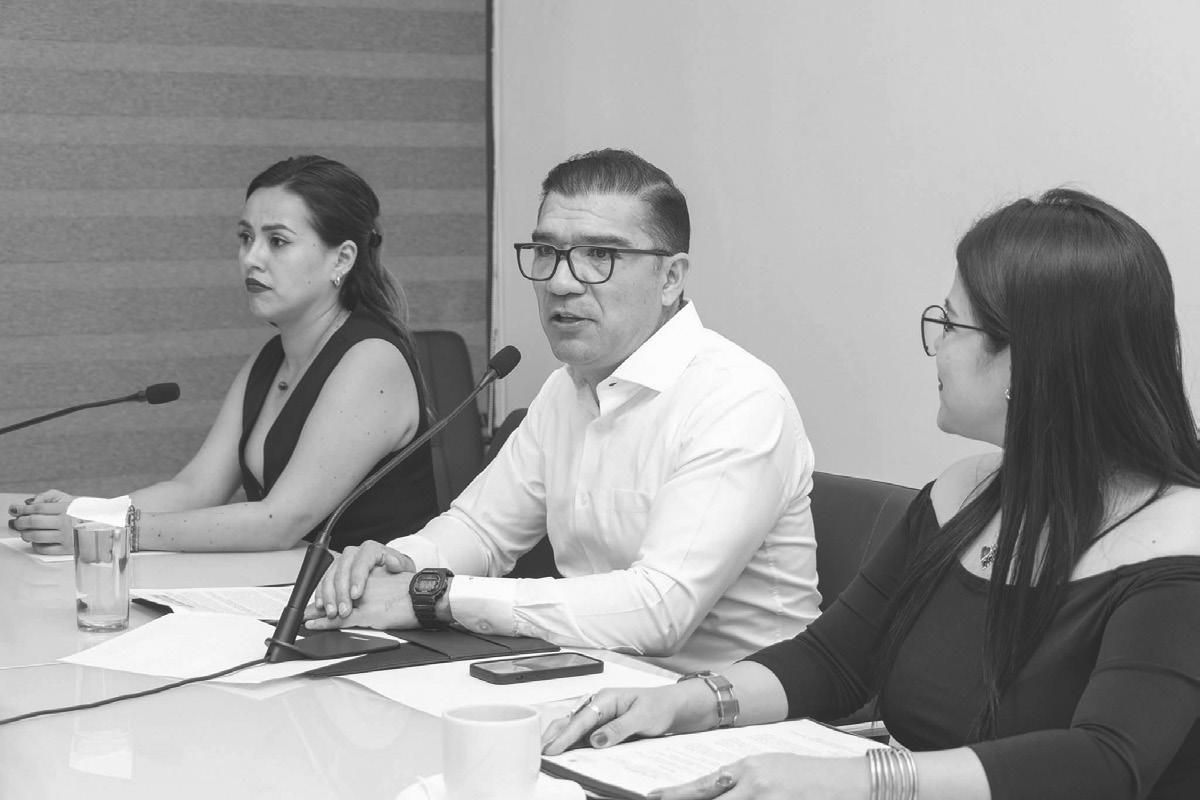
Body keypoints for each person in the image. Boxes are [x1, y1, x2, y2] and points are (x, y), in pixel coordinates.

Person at [542, 189, 1200, 800]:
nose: (935, 347)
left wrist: (861, 780)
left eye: (952, 326)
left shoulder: (1179, 544)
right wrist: (683, 702)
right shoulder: (961, 495)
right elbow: (834, 660)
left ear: (1026, 362)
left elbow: (1104, 762)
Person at [304, 148, 820, 672]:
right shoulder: (566, 389)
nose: (560, 282)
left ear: (670, 278)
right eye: (547, 252)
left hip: (734, 704)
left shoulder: (737, 398)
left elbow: (659, 611)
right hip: (594, 679)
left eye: (600, 254)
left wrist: (434, 596)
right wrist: (399, 564)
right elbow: (481, 531)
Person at [8, 155, 439, 553]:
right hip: (287, 589)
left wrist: (109, 530)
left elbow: (279, 522)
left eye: (277, 241)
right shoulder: (270, 359)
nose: (251, 258)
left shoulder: (371, 359)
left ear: (341, 259)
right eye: (246, 237)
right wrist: (84, 513)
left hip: (367, 603)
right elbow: (196, 488)